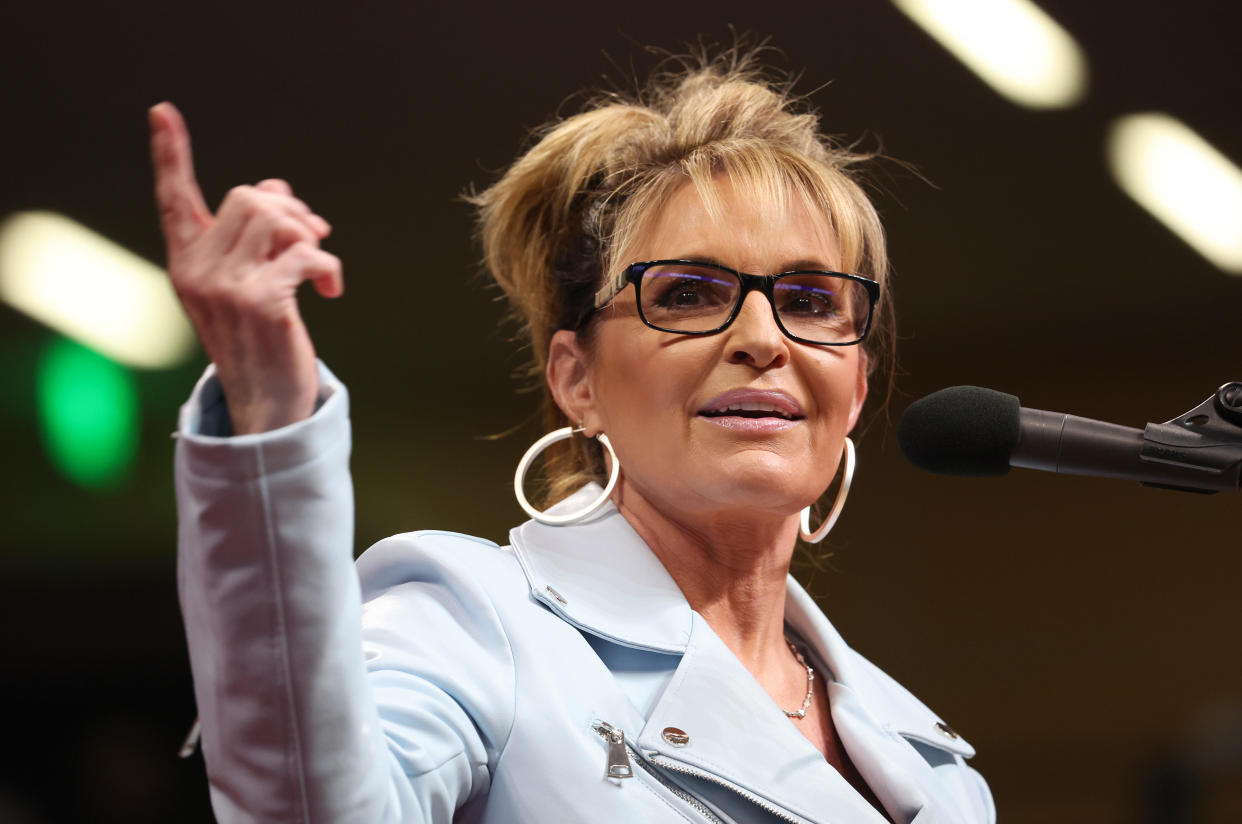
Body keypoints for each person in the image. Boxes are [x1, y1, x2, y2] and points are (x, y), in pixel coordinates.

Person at [154, 51, 996, 824]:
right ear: (576, 380)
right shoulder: (474, 624)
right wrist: (267, 416)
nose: (763, 338)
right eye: (690, 293)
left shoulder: (939, 767)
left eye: (811, 301)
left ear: (856, 388)